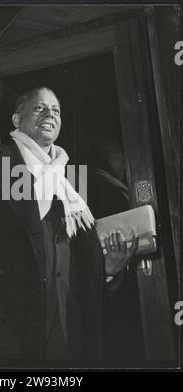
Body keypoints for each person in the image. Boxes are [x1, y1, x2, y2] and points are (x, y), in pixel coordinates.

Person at [0, 76, 138, 366]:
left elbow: (73, 266)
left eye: (56, 110)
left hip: (70, 342)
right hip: (6, 343)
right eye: (39, 108)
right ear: (17, 119)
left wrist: (108, 272)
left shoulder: (71, 182)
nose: (50, 114)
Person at [87, 140, 144, 365]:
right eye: (121, 160)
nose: (124, 166)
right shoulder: (109, 190)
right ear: (112, 162)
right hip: (112, 280)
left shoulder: (86, 185)